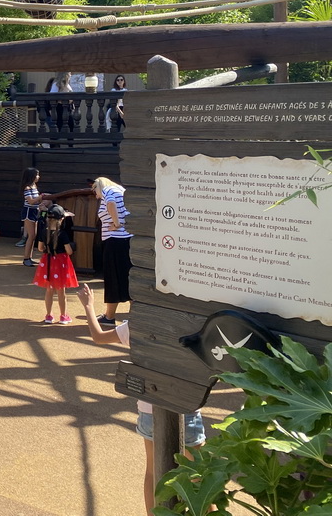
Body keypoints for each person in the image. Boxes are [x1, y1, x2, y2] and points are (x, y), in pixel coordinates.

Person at [76, 284, 206, 515]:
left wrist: (88, 307)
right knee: (201, 475)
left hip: (148, 409)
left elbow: (98, 337)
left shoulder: (135, 325)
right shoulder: (188, 323)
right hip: (184, 404)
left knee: (153, 472)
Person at [91, 176, 133, 324]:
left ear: (99, 185)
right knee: (127, 276)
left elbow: (111, 204)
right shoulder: (121, 190)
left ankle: (109, 316)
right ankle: (132, 314)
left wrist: (116, 224)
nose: (95, 194)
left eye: (94, 189)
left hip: (115, 240)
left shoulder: (108, 191)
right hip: (125, 240)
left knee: (112, 277)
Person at [34, 204, 78, 323]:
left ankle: (49, 315)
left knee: (49, 290)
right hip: (60, 263)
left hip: (48, 262)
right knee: (61, 291)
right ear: (61, 219)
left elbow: (40, 248)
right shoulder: (62, 234)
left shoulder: (44, 231)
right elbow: (68, 251)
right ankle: (63, 316)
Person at [20, 167, 49, 267]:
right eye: (37, 175)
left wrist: (42, 200)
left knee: (33, 236)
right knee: (31, 235)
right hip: (28, 212)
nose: (38, 177)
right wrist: (41, 197)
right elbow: (31, 201)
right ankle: (26, 258)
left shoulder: (34, 186)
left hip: (34, 211)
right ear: (31, 176)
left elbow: (36, 201)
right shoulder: (27, 188)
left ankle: (29, 257)